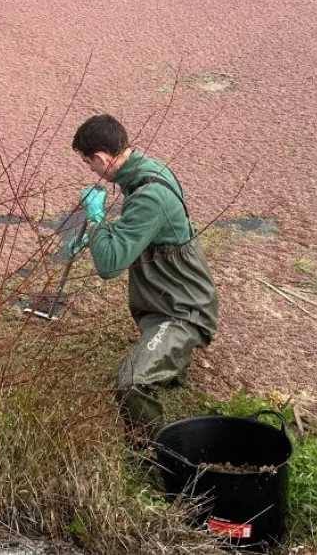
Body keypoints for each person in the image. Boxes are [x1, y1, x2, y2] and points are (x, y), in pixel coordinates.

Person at [69, 114, 218, 436]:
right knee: (152, 351)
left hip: (183, 312)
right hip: (167, 300)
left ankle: (153, 448)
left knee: (131, 382)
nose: (91, 171)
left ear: (102, 158)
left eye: (88, 163)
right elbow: (138, 233)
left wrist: (95, 223)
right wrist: (98, 233)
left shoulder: (150, 195)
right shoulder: (146, 171)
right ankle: (172, 366)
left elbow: (110, 267)